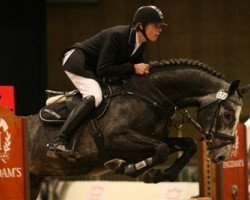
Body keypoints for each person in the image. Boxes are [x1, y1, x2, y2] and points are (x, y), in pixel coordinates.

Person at [47, 5, 167, 157]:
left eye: (160, 26)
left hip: (92, 68)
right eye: (156, 25)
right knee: (94, 96)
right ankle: (58, 141)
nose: (160, 30)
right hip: (76, 61)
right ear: (141, 25)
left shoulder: (141, 45)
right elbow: (104, 70)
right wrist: (133, 68)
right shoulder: (117, 35)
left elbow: (133, 74)